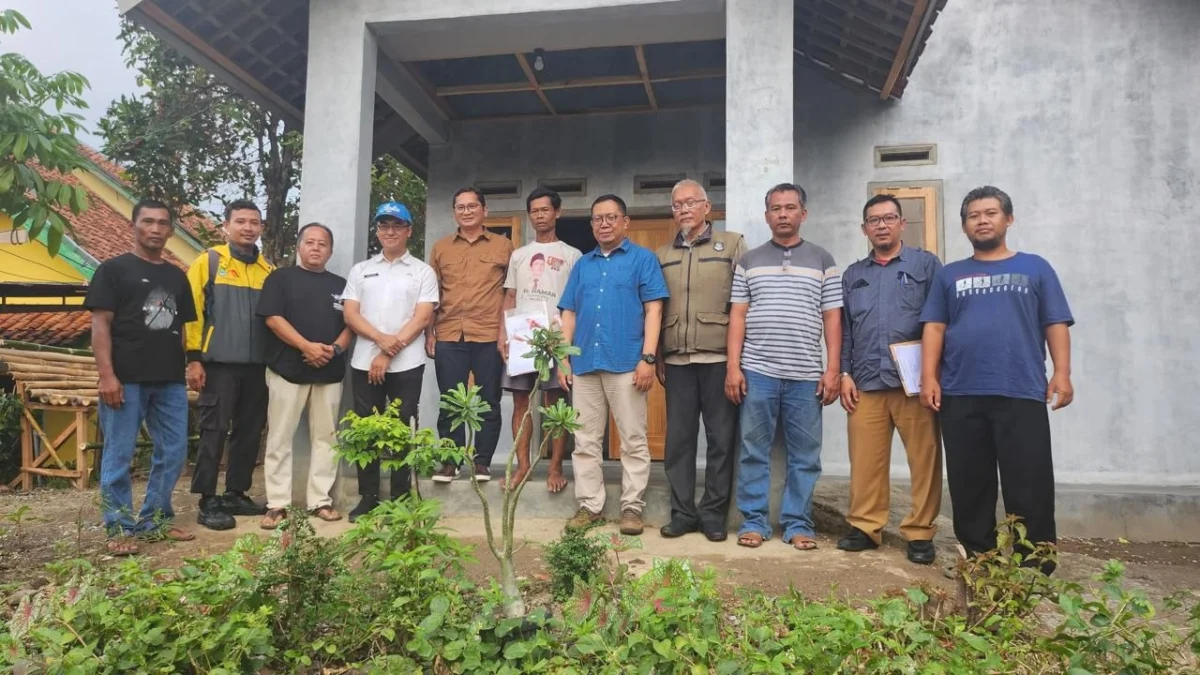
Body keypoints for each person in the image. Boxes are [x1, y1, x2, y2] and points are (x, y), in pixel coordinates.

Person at [920, 185, 1074, 570]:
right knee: (970, 482)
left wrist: (1063, 373)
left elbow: (1055, 322)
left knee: (1030, 480)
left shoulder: (1035, 267)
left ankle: (1036, 559)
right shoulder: (949, 275)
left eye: (990, 213)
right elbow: (935, 328)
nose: (982, 220)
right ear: (964, 225)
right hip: (960, 392)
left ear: (1008, 219)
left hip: (1020, 390)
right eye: (974, 215)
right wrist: (928, 377)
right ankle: (978, 557)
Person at [727, 183, 842, 551]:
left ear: (802, 213)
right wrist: (734, 367)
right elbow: (738, 317)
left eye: (790, 207)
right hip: (757, 371)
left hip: (806, 374)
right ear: (767, 216)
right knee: (753, 450)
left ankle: (797, 523)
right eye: (775, 208)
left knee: (805, 455)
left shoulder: (823, 260)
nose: (782, 214)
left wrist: (832, 369)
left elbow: (833, 319)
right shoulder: (749, 261)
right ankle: (754, 521)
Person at [86, 199, 197, 555]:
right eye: (147, 221)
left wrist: (187, 365)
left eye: (162, 223)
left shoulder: (176, 276)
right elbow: (100, 325)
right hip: (125, 379)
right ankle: (119, 526)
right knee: (119, 453)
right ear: (133, 225)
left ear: (170, 231)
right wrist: (107, 376)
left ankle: (155, 520)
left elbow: (180, 329)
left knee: (174, 451)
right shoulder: (113, 271)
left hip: (168, 380)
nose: (155, 228)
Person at [837, 194, 943, 565]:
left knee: (924, 459)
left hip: (913, 383)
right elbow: (846, 329)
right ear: (864, 228)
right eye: (873, 220)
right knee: (865, 460)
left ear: (902, 223)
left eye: (888, 218)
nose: (881, 225)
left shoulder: (926, 265)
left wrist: (931, 375)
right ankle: (866, 527)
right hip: (866, 380)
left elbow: (938, 322)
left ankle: (920, 532)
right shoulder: (854, 275)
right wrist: (844, 373)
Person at [558, 194, 669, 535]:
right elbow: (569, 312)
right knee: (585, 440)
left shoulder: (643, 260)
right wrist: (564, 358)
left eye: (610, 217)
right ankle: (589, 505)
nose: (603, 224)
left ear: (625, 221)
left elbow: (654, 310)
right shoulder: (583, 265)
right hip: (585, 363)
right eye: (597, 219)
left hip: (627, 363)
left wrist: (648, 358)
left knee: (634, 440)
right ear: (591, 224)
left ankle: (632, 507)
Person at [655, 179, 746, 541]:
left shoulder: (732, 245)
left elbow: (744, 303)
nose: (684, 210)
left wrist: (739, 361)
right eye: (678, 205)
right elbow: (656, 308)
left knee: (721, 438)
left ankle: (713, 515)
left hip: (720, 357)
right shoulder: (662, 255)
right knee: (678, 440)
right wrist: (658, 353)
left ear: (707, 207)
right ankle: (682, 513)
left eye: (691, 203)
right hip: (676, 359)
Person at [342, 202, 438, 520]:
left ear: (409, 230)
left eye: (397, 225)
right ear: (378, 231)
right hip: (362, 363)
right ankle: (369, 496)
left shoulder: (422, 271)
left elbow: (423, 317)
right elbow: (351, 313)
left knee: (400, 430)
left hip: (406, 363)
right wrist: (380, 341)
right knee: (368, 431)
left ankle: (399, 497)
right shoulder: (361, 270)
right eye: (384, 226)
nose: (390, 231)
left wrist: (387, 351)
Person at [255, 223, 353, 529]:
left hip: (330, 372)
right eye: (309, 242)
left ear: (330, 250)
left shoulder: (341, 284)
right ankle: (277, 503)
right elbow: (272, 319)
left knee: (326, 438)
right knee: (280, 437)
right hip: (287, 370)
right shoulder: (280, 279)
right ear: (299, 247)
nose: (316, 248)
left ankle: (320, 500)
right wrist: (306, 347)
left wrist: (334, 349)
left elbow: (352, 322)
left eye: (322, 244)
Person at [185, 199, 275, 530]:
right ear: (226, 225)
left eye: (254, 222)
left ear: (261, 227)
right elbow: (191, 311)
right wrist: (193, 359)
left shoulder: (269, 271)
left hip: (257, 368)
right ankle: (207, 497)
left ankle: (236, 491)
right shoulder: (208, 263)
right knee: (214, 430)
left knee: (250, 431)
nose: (248, 227)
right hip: (217, 364)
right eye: (241, 221)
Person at [427, 187, 514, 482]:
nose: (466, 211)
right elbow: (433, 295)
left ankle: (482, 462)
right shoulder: (441, 248)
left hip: (489, 334)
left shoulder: (504, 247)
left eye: (472, 206)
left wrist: (506, 333)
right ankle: (450, 462)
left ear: (484, 211)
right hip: (449, 333)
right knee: (450, 400)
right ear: (454, 213)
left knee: (489, 400)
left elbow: (509, 293)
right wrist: (430, 334)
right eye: (460, 207)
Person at [498, 188, 582, 493]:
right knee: (521, 402)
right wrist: (502, 334)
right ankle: (523, 466)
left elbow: (576, 303)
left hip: (556, 338)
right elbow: (509, 296)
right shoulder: (519, 256)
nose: (540, 216)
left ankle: (556, 466)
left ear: (557, 213)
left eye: (545, 210)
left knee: (555, 403)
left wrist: (569, 346)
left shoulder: (572, 255)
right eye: (534, 211)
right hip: (522, 335)